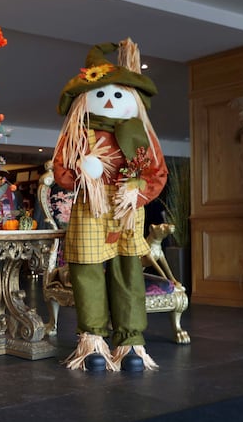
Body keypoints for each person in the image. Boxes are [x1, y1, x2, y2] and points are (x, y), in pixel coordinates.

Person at [52, 38, 168, 373]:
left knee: (128, 272)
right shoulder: (77, 133)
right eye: (101, 94)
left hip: (127, 210)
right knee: (88, 273)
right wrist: (82, 173)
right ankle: (92, 341)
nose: (109, 100)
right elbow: (61, 170)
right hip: (91, 209)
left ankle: (130, 341)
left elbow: (157, 173)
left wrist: (140, 191)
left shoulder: (143, 135)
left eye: (118, 94)